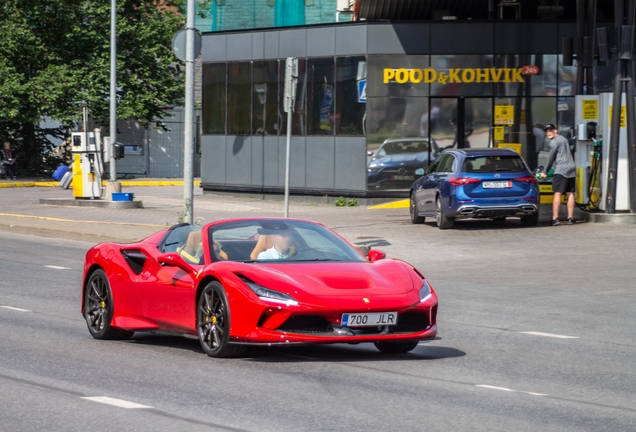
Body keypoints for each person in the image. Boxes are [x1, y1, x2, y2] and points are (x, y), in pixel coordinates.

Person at [540, 124, 576, 226]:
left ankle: (555, 219)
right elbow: (572, 147)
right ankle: (570, 218)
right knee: (570, 192)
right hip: (571, 167)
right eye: (547, 131)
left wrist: (545, 171)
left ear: (556, 131)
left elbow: (550, 157)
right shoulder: (564, 139)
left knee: (558, 192)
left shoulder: (554, 142)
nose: (548, 133)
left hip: (561, 169)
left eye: (550, 130)